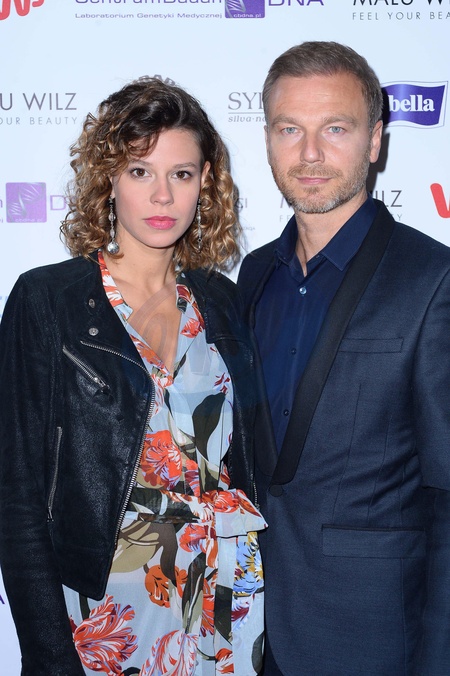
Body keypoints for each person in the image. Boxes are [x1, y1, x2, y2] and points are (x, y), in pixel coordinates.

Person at [0, 77, 266, 675]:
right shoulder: (48, 301)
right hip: (110, 611)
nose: (163, 195)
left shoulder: (223, 301)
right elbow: (17, 496)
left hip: (226, 594)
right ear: (109, 180)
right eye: (140, 171)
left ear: (205, 183)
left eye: (182, 174)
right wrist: (49, 653)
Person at [238, 41, 450, 675]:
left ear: (375, 140)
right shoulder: (252, 277)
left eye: (335, 128)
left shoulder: (431, 279)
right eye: (289, 129)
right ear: (268, 139)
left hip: (374, 639)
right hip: (250, 631)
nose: (310, 154)